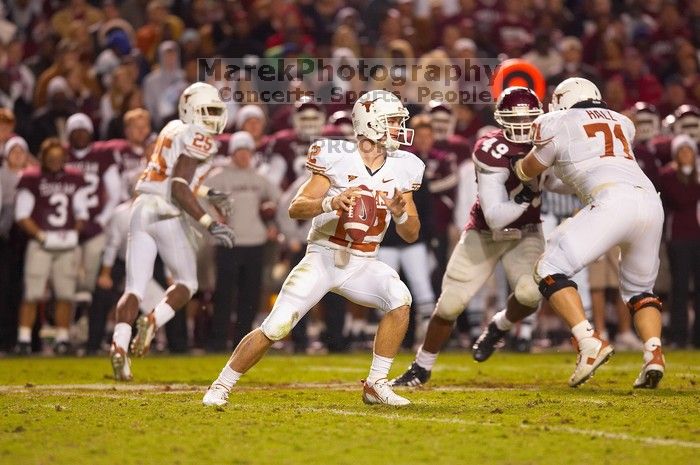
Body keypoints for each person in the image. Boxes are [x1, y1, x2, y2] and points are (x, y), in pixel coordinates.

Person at [203, 89, 424, 407]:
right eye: (392, 121)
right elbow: (296, 207)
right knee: (276, 326)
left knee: (400, 300)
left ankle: (376, 384)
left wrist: (401, 211)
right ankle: (221, 385)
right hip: (323, 256)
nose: (398, 128)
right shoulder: (336, 155)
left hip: (363, 261)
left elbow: (411, 232)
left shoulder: (405, 166)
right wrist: (330, 201)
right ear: (370, 123)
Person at [514, 77, 665, 388]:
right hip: (650, 201)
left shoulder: (557, 120)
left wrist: (518, 169)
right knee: (640, 291)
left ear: (561, 101)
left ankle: (587, 339)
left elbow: (531, 168)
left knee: (549, 268)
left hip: (612, 201)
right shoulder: (623, 122)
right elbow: (582, 167)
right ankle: (653, 353)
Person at [391, 87, 545, 387]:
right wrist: (524, 199)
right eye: (517, 118)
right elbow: (496, 214)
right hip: (486, 230)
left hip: (526, 232)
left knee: (530, 295)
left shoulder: (549, 141)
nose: (524, 125)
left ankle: (498, 326)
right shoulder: (491, 147)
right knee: (449, 305)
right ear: (502, 119)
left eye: (530, 118)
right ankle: (421, 367)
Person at [109, 82, 235, 381]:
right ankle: (153, 320)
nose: (214, 118)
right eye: (208, 111)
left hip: (140, 207)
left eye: (217, 111)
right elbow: (178, 186)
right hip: (165, 210)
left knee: (133, 289)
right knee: (187, 283)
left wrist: (207, 190)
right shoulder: (200, 138)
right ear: (191, 109)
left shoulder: (170, 129)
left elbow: (172, 176)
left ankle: (118, 346)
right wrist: (209, 223)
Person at [203, 131, 281, 351]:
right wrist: (214, 220)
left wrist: (272, 221)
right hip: (228, 242)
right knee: (223, 294)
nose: (244, 156)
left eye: (248, 151)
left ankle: (243, 342)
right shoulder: (219, 176)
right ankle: (218, 341)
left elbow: (278, 200)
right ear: (232, 153)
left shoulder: (259, 177)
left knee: (250, 295)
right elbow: (199, 197)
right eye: (240, 151)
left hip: (255, 241)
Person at [13, 139, 89, 354]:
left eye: (59, 157)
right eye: (51, 158)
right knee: (32, 293)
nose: (55, 162)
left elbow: (81, 213)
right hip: (41, 242)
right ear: (43, 158)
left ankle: (63, 338)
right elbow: (21, 215)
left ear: (65, 158)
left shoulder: (75, 178)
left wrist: (73, 233)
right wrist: (41, 236)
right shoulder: (31, 178)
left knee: (65, 293)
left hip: (65, 243)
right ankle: (24, 339)